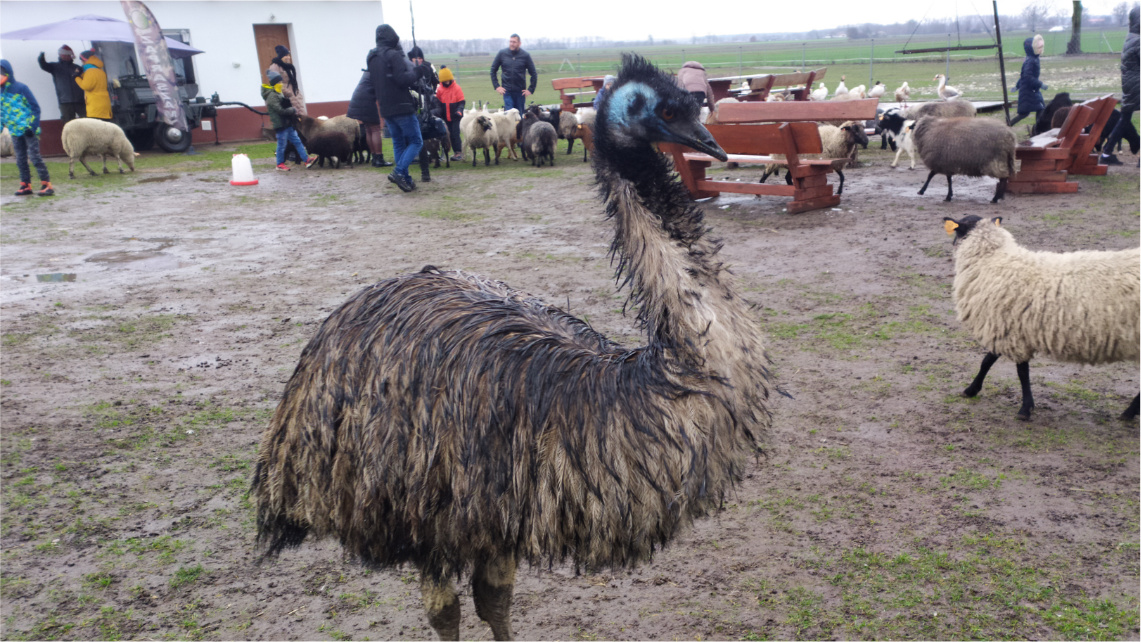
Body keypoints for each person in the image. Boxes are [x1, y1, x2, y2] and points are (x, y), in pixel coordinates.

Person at [368, 24, 426, 192]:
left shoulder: (371, 56)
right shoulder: (393, 55)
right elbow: (403, 80)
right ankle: (399, 172)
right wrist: (419, 71)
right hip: (401, 105)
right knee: (416, 141)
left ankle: (406, 178)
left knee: (398, 142)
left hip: (385, 107)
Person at [1, 59, 54, 196]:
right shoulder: (1, 93)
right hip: (14, 131)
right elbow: (1, 112)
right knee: (20, 158)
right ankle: (25, 185)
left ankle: (46, 184)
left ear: (7, 73)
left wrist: (32, 126)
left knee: (34, 157)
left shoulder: (21, 88)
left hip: (28, 130)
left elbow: (35, 108)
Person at [1101, 5, 1140, 166]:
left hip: (1130, 85)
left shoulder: (1130, 37)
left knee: (1124, 119)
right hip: (1138, 84)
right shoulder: (1138, 40)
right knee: (1124, 118)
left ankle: (1106, 153)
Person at [262, 68, 315, 172]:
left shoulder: (278, 93)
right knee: (282, 145)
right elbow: (279, 110)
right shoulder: (272, 95)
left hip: (287, 123)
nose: (281, 84)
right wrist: (292, 110)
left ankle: (307, 160)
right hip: (281, 125)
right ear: (275, 83)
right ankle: (280, 164)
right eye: (279, 82)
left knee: (298, 141)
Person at [347, 70, 393, 168]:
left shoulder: (369, 71)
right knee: (375, 129)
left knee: (369, 129)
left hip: (358, 99)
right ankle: (379, 159)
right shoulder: (377, 71)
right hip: (366, 101)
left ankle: (374, 158)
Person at [37, 45, 85, 123]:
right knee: (69, 124)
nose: (68, 56)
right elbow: (44, 66)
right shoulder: (55, 67)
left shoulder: (77, 67)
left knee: (87, 122)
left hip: (80, 100)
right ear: (61, 55)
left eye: (69, 55)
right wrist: (41, 59)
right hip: (65, 102)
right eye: (66, 54)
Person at [490, 34, 537, 114]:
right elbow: (493, 70)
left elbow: (534, 73)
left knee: (519, 116)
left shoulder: (525, 55)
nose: (512, 44)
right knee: (510, 115)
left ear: (519, 43)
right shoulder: (502, 54)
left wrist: (530, 89)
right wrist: (497, 86)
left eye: (514, 42)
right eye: (510, 41)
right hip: (507, 91)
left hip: (520, 92)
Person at [1010, 35, 1046, 127]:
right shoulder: (1031, 61)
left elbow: (1023, 76)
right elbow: (1027, 76)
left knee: (1040, 109)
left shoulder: (1033, 59)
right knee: (1026, 113)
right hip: (1028, 90)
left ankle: (1038, 128)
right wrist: (1040, 84)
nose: (1040, 49)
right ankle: (1008, 125)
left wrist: (1017, 86)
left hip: (1032, 89)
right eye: (1039, 47)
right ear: (1032, 48)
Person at [435, 66, 465, 161]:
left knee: (455, 134)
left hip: (455, 116)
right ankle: (445, 153)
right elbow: (438, 103)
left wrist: (459, 111)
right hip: (444, 117)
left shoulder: (457, 88)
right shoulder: (439, 89)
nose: (447, 82)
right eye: (445, 80)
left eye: (448, 80)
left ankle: (458, 152)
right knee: (446, 135)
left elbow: (461, 102)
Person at [74, 49, 111, 121]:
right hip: (104, 104)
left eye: (82, 61)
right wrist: (82, 74)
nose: (82, 63)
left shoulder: (90, 71)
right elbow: (94, 81)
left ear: (85, 60)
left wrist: (76, 77)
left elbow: (86, 86)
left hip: (95, 106)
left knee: (97, 130)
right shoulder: (99, 71)